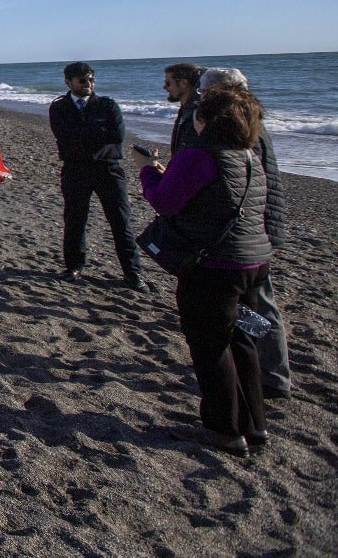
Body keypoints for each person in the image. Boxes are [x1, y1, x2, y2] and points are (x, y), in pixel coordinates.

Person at [138, 85, 273, 455]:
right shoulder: (248, 154)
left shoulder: (200, 154)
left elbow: (164, 201)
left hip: (214, 266)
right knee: (241, 342)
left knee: (211, 348)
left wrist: (149, 173)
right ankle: (254, 425)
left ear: (207, 119)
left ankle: (224, 429)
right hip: (253, 261)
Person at [200, 67, 292, 400]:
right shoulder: (244, 123)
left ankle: (274, 377)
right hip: (249, 228)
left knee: (260, 306)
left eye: (206, 93)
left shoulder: (246, 128)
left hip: (250, 230)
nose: (201, 98)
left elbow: (261, 182)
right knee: (245, 306)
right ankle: (259, 368)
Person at [49, 62, 148, 291]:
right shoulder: (59, 107)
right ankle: (74, 266)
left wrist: (84, 135)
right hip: (75, 169)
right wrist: (95, 134)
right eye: (83, 81)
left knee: (121, 221)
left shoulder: (107, 105)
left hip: (108, 169)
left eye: (92, 80)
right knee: (75, 219)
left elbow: (117, 135)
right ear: (69, 82)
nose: (88, 85)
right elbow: (64, 137)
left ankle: (133, 273)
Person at [164, 62, 203, 153]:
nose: (165, 87)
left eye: (168, 83)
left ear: (184, 83)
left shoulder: (199, 114)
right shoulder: (185, 110)